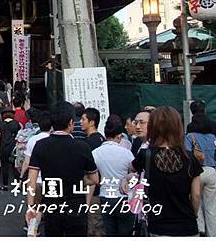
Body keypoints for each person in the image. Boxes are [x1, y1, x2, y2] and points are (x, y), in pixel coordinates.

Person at [26, 101, 99, 237]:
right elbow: (94, 179)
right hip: (76, 207)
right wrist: (80, 179)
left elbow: (31, 180)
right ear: (71, 122)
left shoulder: (40, 145)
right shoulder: (82, 147)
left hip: (52, 206)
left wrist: (31, 207)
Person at [131, 106, 202, 237]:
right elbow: (196, 194)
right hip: (187, 226)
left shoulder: (145, 155)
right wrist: (193, 214)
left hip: (158, 226)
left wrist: (128, 178)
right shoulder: (190, 157)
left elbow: (132, 170)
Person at [92, 115, 135, 236]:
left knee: (110, 233)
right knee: (125, 234)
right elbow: (134, 173)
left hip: (105, 196)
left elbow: (91, 174)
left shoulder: (95, 153)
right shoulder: (126, 153)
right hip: (123, 197)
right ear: (119, 136)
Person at [185, 113, 216, 236]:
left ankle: (200, 229)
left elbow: (187, 155)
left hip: (197, 172)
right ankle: (213, 235)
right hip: (211, 171)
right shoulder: (213, 137)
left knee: (196, 200)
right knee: (211, 205)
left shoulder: (190, 136)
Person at [82, 107, 106, 236]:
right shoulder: (102, 139)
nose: (81, 122)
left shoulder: (89, 143)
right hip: (101, 190)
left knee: (93, 228)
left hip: (92, 193)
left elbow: (90, 172)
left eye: (83, 119)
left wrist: (87, 199)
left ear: (92, 122)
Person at [0, 108, 21, 191]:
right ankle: (17, 185)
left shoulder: (0, 124)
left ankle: (5, 185)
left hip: (3, 147)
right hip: (13, 146)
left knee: (5, 166)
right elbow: (20, 134)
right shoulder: (16, 123)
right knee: (15, 166)